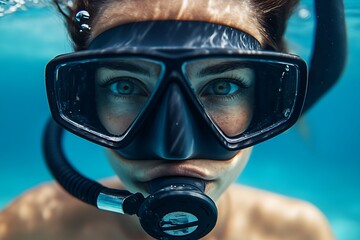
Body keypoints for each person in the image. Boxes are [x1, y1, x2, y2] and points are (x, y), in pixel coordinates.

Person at [0, 0, 346, 239]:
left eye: (223, 86)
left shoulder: (296, 232)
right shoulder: (28, 227)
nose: (174, 150)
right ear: (87, 103)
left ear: (267, 102)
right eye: (125, 85)